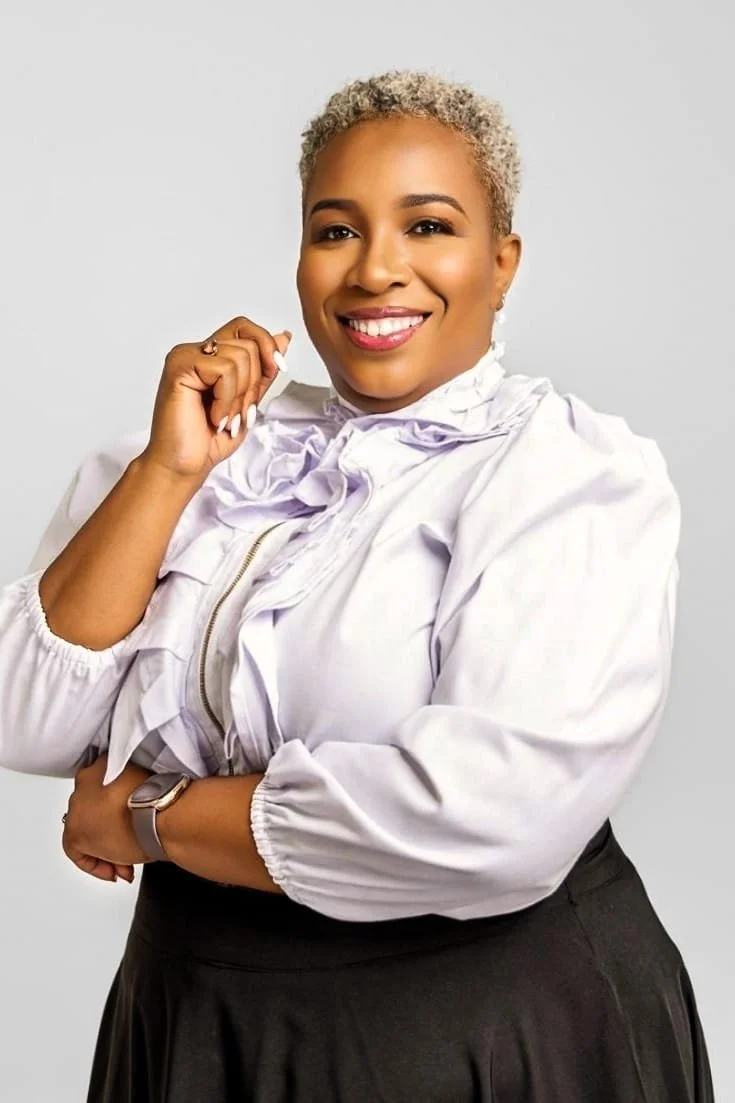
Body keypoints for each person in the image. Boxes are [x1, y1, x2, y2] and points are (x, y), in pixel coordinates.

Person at [0, 69, 715, 1102]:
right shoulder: (208, 452)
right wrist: (167, 472)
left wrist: (151, 815)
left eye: (428, 226)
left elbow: (489, 820)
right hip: (196, 1011)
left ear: (501, 263)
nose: (377, 268)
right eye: (336, 230)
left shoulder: (564, 473)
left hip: (478, 1022)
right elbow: (23, 718)